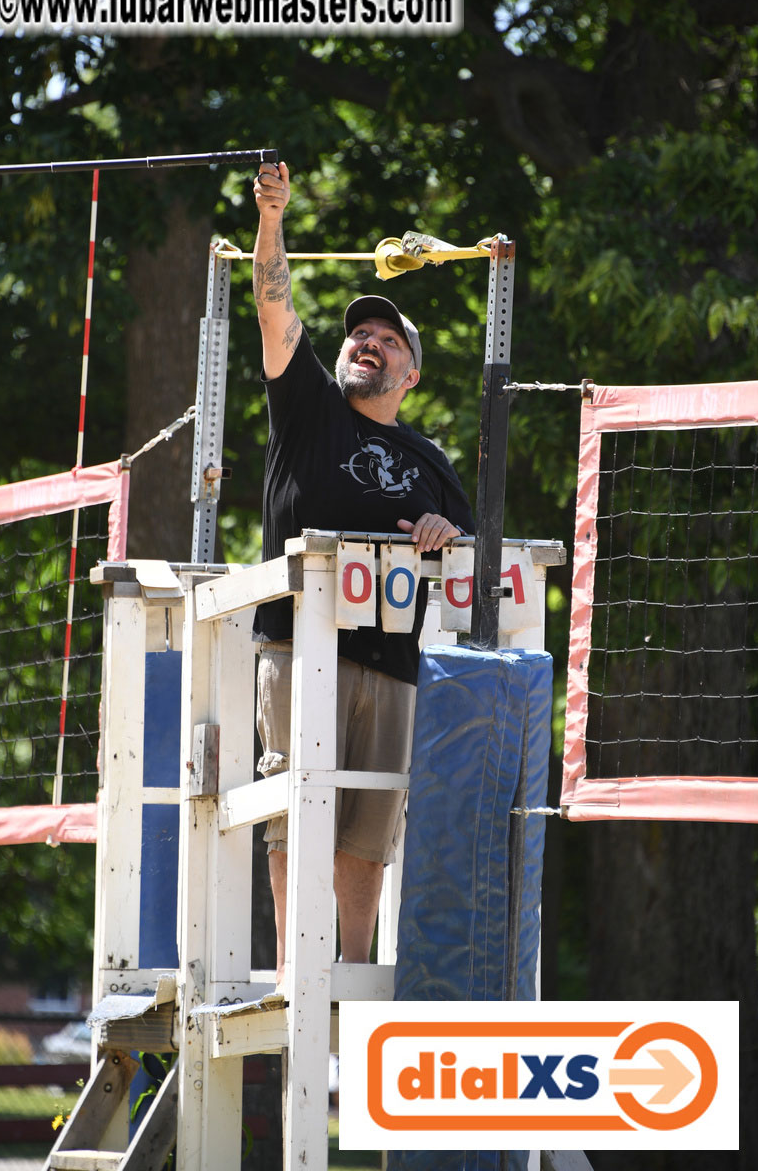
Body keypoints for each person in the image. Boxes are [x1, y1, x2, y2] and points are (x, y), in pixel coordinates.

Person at [252, 161, 475, 983]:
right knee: (294, 812)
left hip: (392, 661)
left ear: (410, 375)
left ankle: (348, 974)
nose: (367, 343)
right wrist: (272, 218)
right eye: (359, 335)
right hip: (297, 646)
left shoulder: (430, 458)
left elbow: (471, 555)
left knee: (368, 832)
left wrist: (448, 532)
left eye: (387, 340)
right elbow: (274, 307)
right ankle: (293, 976)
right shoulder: (307, 408)